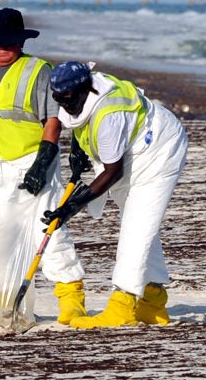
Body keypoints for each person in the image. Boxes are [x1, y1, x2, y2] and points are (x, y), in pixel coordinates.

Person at [0, 8, 89, 323]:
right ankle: (7, 306)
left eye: (8, 42)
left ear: (21, 42)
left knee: (46, 233)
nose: (1, 48)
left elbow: (53, 120)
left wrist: (42, 163)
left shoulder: (39, 71)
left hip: (28, 162)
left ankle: (71, 299)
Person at [41, 61, 189, 328]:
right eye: (58, 99)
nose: (64, 104)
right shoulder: (76, 93)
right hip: (135, 148)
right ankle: (153, 301)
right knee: (141, 226)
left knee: (137, 227)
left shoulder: (109, 114)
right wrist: (78, 150)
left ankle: (123, 303)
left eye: (68, 98)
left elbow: (112, 172)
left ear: (85, 88)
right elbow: (77, 120)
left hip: (161, 149)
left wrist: (72, 207)